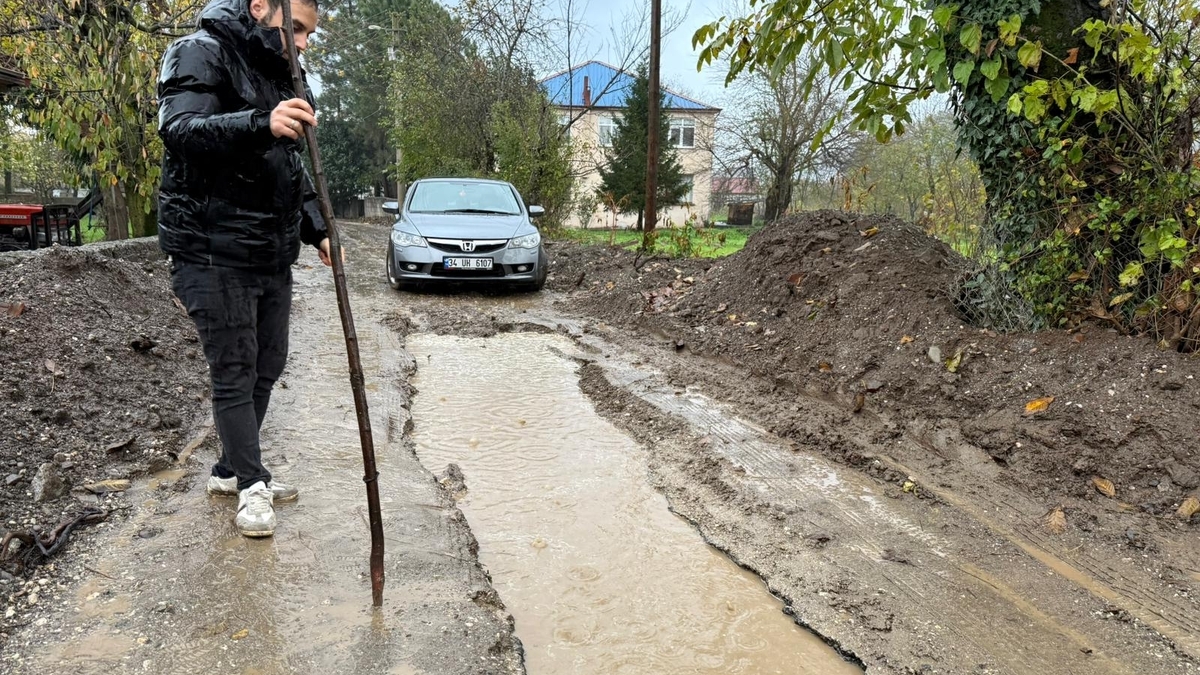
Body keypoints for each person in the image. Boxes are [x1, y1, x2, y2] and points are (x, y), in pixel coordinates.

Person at [157, 0, 330, 538]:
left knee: (268, 364)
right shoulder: (197, 52)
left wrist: (317, 228)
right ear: (261, 8)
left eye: (308, 35)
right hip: (211, 249)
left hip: (270, 252)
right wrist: (262, 122)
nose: (302, 44)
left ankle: (231, 470)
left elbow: (289, 167)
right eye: (296, 29)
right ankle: (252, 484)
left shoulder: (279, 77)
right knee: (234, 370)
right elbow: (179, 129)